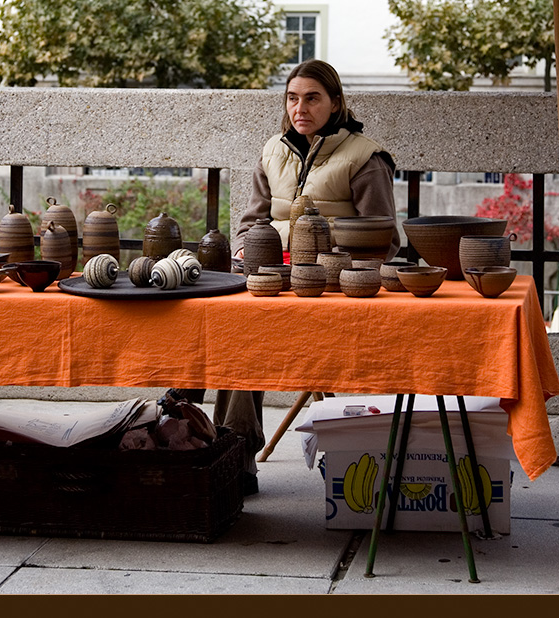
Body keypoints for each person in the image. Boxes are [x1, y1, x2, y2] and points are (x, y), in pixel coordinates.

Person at [167, 59, 400, 496]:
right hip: (270, 278)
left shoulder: (365, 157)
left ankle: (232, 451)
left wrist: (331, 268)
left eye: (312, 98)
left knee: (245, 334)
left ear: (335, 103)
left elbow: (383, 241)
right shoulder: (272, 150)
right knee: (212, 316)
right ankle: (188, 421)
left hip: (328, 291)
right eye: (293, 98)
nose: (301, 107)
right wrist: (241, 249)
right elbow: (251, 221)